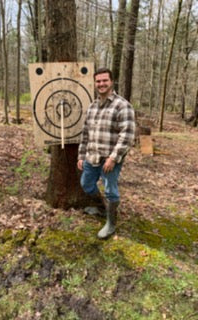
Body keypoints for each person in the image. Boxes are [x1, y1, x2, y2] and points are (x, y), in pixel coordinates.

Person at [77, 67, 135, 239]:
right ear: (95, 84)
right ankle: (103, 208)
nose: (101, 84)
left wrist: (113, 158)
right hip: (91, 156)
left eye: (104, 80)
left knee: (110, 190)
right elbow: (85, 133)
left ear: (111, 82)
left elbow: (127, 135)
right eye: (98, 81)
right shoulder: (92, 107)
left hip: (110, 159)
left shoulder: (122, 105)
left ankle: (111, 223)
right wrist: (81, 155)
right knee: (86, 184)